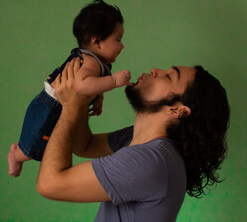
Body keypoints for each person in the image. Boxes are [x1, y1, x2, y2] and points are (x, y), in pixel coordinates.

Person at [37, 58, 230, 221]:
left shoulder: (151, 160)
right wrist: (84, 97)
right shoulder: (140, 141)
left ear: (178, 110)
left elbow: (49, 184)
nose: (155, 71)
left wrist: (70, 106)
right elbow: (84, 146)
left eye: (170, 76)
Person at [8, 0, 132, 177]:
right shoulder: (90, 62)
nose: (122, 45)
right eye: (118, 39)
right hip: (49, 108)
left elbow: (91, 85)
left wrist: (99, 97)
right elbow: (82, 85)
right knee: (34, 148)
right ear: (96, 41)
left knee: (52, 145)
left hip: (57, 107)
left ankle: (19, 150)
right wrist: (113, 81)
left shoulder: (97, 62)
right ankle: (16, 155)